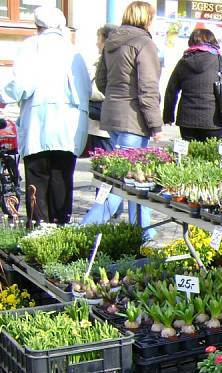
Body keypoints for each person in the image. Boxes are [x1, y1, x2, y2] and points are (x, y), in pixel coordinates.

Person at [0, 6, 90, 226]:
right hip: (69, 127)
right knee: (62, 180)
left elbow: (22, 84)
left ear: (38, 26)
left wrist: (3, 96)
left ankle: (39, 232)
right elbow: (86, 89)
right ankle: (61, 230)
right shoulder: (72, 49)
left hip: (40, 124)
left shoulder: (32, 46)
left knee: (37, 182)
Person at [91, 0, 162, 236]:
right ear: (146, 18)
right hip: (133, 119)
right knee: (122, 183)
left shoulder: (112, 41)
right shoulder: (144, 43)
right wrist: (155, 124)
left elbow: (101, 80)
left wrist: (115, 95)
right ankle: (86, 230)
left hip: (112, 116)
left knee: (131, 180)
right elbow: (148, 87)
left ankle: (141, 232)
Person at [163, 29, 222, 141]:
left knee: (189, 157)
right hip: (213, 120)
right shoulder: (220, 62)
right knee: (211, 157)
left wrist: (168, 116)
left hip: (187, 120)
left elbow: (171, 91)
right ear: (213, 42)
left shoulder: (183, 63)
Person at [85, 24, 116, 155]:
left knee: (106, 162)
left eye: (99, 39)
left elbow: (102, 89)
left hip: (104, 127)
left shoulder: (110, 62)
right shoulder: (100, 61)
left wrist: (86, 92)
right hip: (97, 126)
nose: (97, 43)